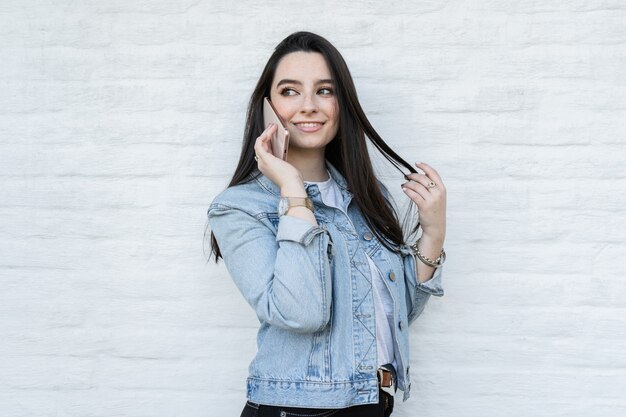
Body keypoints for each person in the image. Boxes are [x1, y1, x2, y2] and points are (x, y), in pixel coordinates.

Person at [207, 31, 446, 417]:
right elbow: (301, 313)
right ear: (267, 107)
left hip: (372, 402)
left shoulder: (368, 198)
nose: (308, 106)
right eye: (289, 91)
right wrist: (291, 189)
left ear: (342, 103)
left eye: (324, 90)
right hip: (298, 409)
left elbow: (400, 313)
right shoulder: (240, 207)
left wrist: (433, 232)